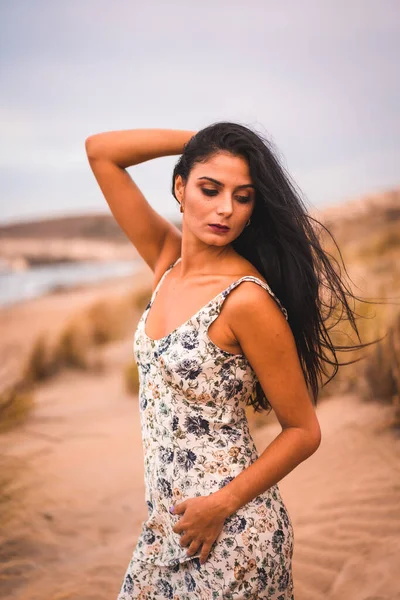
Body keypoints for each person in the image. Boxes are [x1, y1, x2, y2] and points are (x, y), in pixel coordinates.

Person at [85, 123, 369, 599]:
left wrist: (221, 505)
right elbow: (100, 153)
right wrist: (205, 139)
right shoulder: (166, 262)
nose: (224, 209)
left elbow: (303, 431)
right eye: (209, 188)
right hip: (166, 529)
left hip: (231, 533)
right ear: (180, 187)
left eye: (243, 197)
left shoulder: (245, 300)